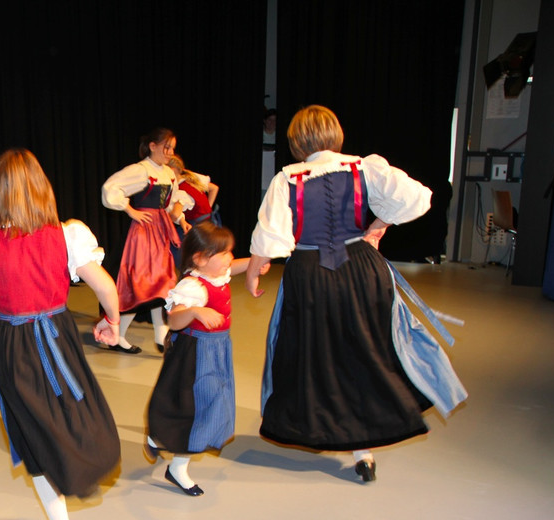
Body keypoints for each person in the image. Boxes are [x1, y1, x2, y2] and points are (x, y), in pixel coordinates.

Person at [245, 105, 467, 482]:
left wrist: (254, 272)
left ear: (296, 141)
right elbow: (417, 197)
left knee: (318, 354)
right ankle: (363, 448)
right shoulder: (363, 167)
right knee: (364, 350)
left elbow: (270, 236)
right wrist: (378, 225)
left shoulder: (288, 179)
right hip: (362, 270)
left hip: (311, 276)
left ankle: (322, 424)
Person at [0, 149, 122, 520]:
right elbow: (106, 287)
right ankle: (74, 501)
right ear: (43, 188)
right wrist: (112, 323)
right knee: (77, 418)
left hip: (14, 347)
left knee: (35, 437)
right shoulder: (68, 235)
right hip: (58, 337)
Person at [146, 222, 264, 495]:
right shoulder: (193, 286)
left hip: (217, 350)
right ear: (199, 259)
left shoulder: (216, 274)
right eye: (223, 253)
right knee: (197, 408)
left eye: (230, 251)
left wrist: (256, 263)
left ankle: (162, 438)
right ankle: (177, 466)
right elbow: (174, 321)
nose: (230, 258)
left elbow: (235, 267)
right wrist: (196, 311)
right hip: (196, 354)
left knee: (210, 404)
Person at [101, 127, 188, 353]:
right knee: (141, 284)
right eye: (166, 147)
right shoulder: (141, 170)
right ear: (152, 146)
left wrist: (181, 220)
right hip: (142, 235)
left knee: (160, 283)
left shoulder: (168, 173)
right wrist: (130, 210)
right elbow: (110, 188)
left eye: (172, 148)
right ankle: (125, 335)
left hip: (160, 231)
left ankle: (160, 332)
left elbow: (170, 203)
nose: (170, 153)